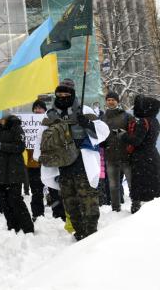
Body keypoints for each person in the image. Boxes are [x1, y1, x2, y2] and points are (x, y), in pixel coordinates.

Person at [39, 82, 106, 241]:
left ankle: (91, 233)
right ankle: (79, 232)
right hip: (62, 165)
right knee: (70, 202)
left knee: (88, 200)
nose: (63, 98)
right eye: (59, 95)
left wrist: (88, 124)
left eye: (66, 95)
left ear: (73, 94)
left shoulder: (84, 110)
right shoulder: (50, 115)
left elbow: (102, 133)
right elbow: (41, 140)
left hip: (82, 162)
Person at [0, 114, 34, 234]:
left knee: (15, 200)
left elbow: (20, 147)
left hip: (13, 170)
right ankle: (13, 227)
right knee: (4, 202)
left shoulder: (15, 126)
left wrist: (1, 145)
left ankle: (27, 227)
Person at [122, 95, 160, 213]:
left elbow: (136, 140)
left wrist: (123, 135)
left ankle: (137, 207)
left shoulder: (143, 121)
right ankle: (153, 206)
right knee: (153, 181)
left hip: (141, 157)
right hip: (153, 155)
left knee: (139, 182)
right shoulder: (155, 120)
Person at [103, 91, 132, 212]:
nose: (110, 102)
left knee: (132, 183)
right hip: (110, 156)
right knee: (113, 186)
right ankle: (115, 208)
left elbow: (133, 132)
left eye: (113, 100)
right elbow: (99, 135)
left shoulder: (126, 115)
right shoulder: (102, 117)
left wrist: (124, 134)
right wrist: (103, 143)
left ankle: (136, 204)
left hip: (126, 155)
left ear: (117, 101)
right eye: (108, 99)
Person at [26, 100, 47, 219]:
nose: (37, 110)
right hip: (33, 163)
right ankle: (38, 213)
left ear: (45, 110)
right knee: (36, 190)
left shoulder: (50, 121)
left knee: (54, 190)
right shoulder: (28, 123)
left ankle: (58, 213)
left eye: (40, 108)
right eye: (35, 108)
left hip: (49, 162)